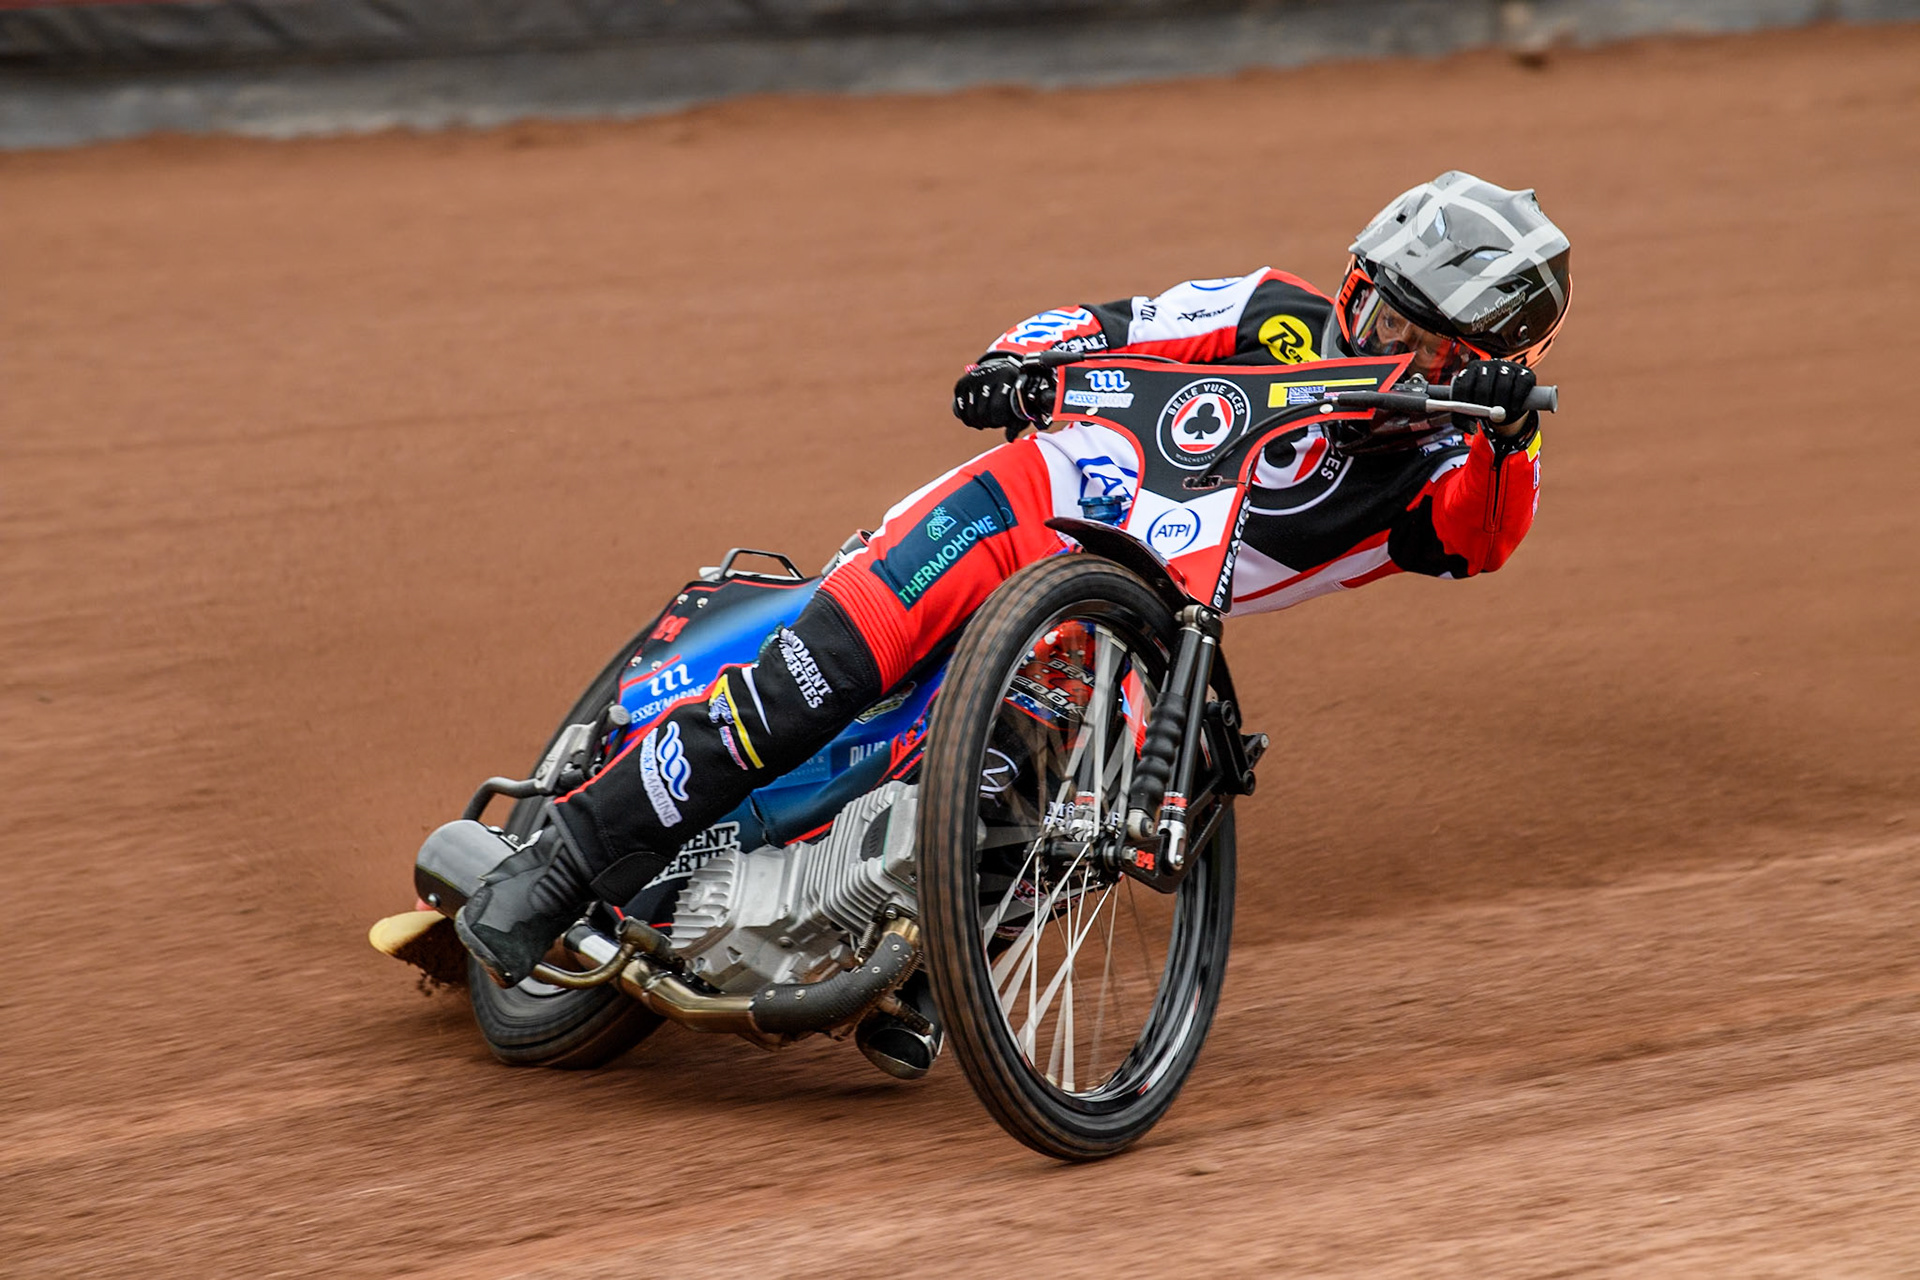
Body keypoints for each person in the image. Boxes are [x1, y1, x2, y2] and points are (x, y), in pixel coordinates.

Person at [456, 169, 1572, 990]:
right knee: (825, 668)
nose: (1385, 346)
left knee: (1064, 801)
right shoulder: (1271, 312)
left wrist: (1513, 437)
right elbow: (1113, 322)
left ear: (1482, 368)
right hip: (1034, 498)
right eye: (1379, 309)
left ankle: (923, 981)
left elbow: (1484, 540)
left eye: (1427, 347)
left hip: (1133, 624)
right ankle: (569, 853)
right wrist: (1019, 359)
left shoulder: (1449, 460)